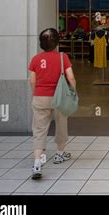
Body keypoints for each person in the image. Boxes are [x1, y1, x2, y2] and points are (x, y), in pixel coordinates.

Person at [28, 28, 76, 180]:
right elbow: (71, 78)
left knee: (39, 129)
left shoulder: (35, 59)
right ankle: (59, 155)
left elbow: (32, 81)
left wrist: (36, 93)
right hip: (59, 98)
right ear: (57, 42)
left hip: (40, 97)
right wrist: (73, 91)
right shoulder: (63, 58)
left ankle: (37, 163)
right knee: (61, 124)